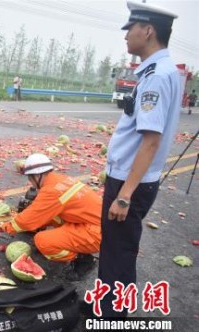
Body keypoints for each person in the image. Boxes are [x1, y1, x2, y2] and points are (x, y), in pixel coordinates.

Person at [98, 1, 181, 317]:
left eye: (130, 29)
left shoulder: (157, 76)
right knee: (116, 249)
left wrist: (124, 196)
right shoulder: (163, 70)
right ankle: (107, 306)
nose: (125, 37)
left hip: (129, 181)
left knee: (118, 252)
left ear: (147, 31)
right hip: (134, 177)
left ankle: (111, 316)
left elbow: (150, 140)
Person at [0, 153, 102, 281]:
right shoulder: (59, 179)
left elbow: (30, 217)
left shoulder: (51, 190)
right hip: (92, 223)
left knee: (42, 241)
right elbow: (44, 213)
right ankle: (70, 244)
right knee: (51, 216)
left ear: (37, 175)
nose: (31, 182)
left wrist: (7, 227)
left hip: (96, 234)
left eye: (30, 178)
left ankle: (83, 259)